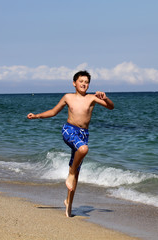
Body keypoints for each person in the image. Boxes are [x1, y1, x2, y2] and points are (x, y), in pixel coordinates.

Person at [27, 70, 114, 217]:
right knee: (83, 150)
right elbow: (54, 112)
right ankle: (71, 174)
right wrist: (36, 116)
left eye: (86, 82)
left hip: (83, 134)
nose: (84, 84)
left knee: (76, 172)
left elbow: (111, 107)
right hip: (69, 130)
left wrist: (106, 98)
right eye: (81, 81)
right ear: (74, 83)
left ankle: (69, 203)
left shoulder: (92, 98)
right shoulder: (68, 97)